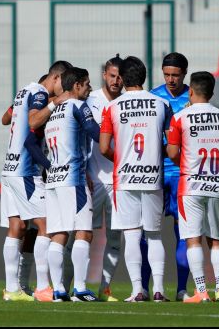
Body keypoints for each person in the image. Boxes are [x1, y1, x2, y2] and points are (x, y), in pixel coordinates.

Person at [100, 56, 173, 302]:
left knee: (131, 234)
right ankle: (159, 289)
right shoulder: (162, 103)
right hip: (153, 176)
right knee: (154, 235)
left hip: (126, 178)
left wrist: (121, 159)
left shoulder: (112, 107)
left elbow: (103, 148)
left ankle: (137, 290)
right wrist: (156, 154)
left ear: (122, 78)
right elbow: (171, 146)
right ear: (143, 76)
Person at [0, 61, 71, 302]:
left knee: (17, 228)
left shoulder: (24, 91)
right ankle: (43, 287)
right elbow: (32, 121)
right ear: (57, 78)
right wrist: (53, 103)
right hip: (25, 170)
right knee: (48, 225)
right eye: (65, 84)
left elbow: (5, 118)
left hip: (9, 168)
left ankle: (12, 289)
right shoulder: (41, 94)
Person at [166, 72, 219, 303]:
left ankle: (201, 291)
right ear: (212, 93)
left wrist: (186, 162)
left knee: (192, 238)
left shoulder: (180, 117)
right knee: (215, 239)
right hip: (216, 184)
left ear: (190, 91)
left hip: (191, 184)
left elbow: (172, 153)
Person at [44, 67, 101, 302]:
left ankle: (58, 290)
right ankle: (79, 288)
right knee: (84, 232)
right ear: (76, 85)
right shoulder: (78, 106)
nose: (89, 88)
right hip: (73, 179)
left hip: (53, 179)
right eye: (86, 84)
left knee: (58, 234)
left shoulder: (53, 113)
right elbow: (94, 132)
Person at [150, 52, 192, 301]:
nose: (170, 79)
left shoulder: (194, 98)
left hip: (181, 174)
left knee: (183, 233)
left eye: (175, 75)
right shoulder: (154, 97)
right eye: (166, 74)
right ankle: (144, 288)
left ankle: (182, 289)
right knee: (149, 232)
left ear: (184, 74)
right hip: (155, 172)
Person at [85, 55, 124, 302]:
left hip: (119, 182)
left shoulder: (127, 104)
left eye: (120, 77)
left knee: (114, 239)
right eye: (112, 76)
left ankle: (105, 288)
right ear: (104, 75)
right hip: (92, 180)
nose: (116, 81)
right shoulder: (90, 102)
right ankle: (70, 287)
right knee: (80, 236)